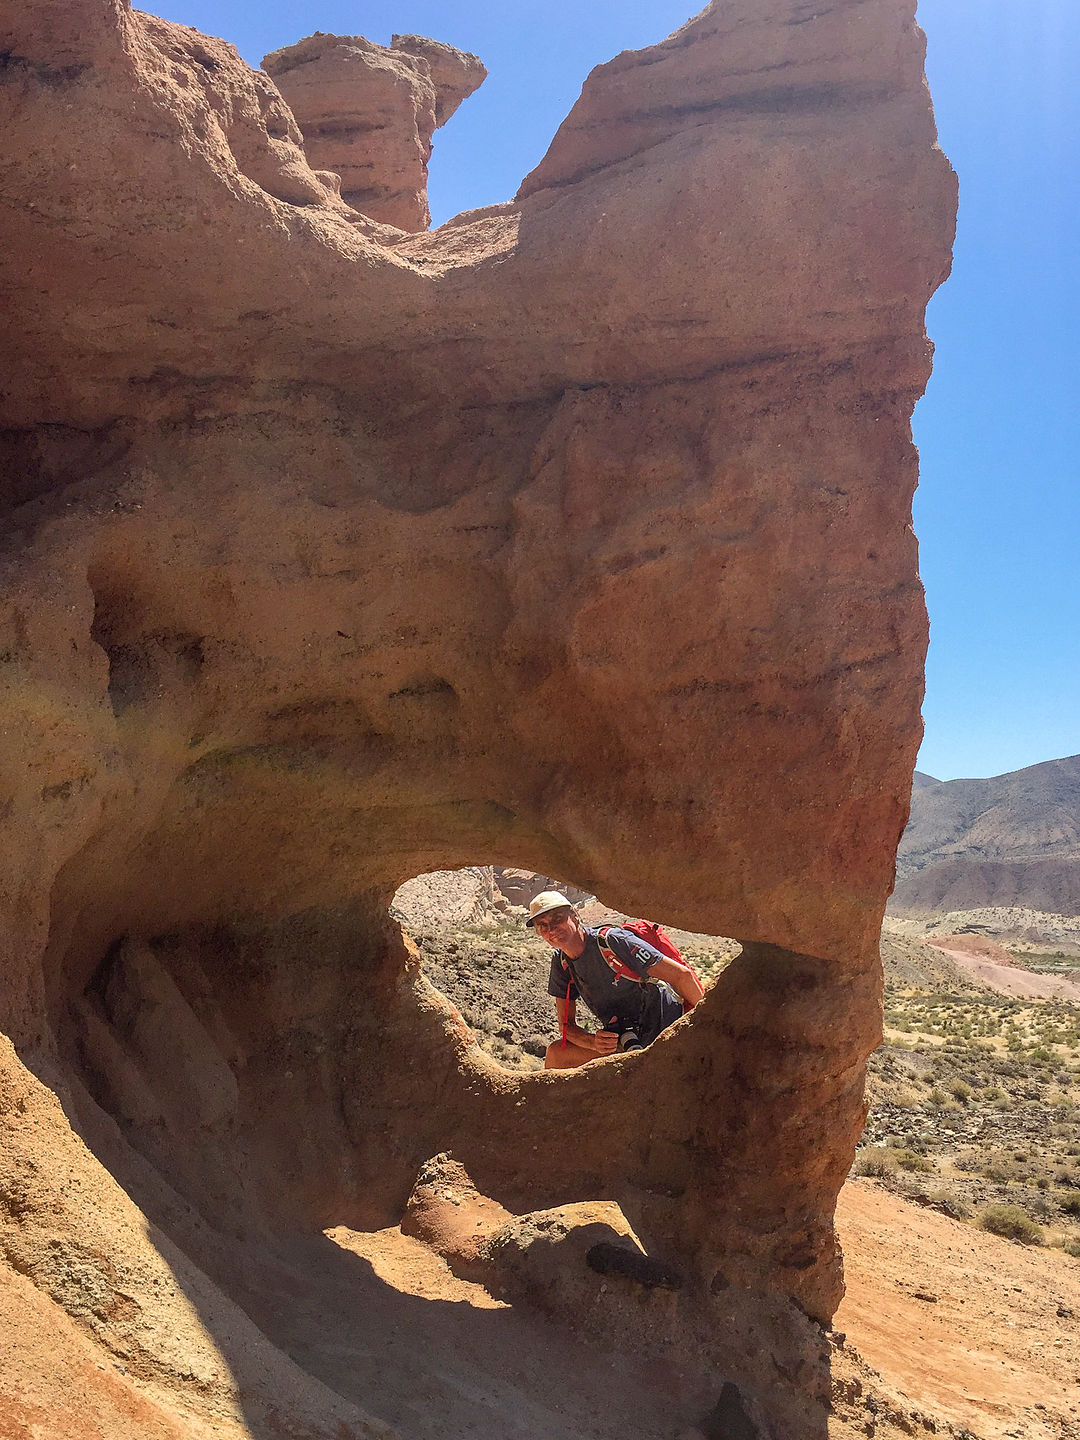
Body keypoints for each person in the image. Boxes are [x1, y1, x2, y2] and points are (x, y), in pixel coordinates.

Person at [525, 891, 705, 1070]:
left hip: (667, 1030)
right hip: (625, 1042)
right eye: (542, 925)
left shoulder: (612, 942)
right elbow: (566, 1026)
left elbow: (682, 976)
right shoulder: (561, 962)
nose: (551, 929)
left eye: (557, 919)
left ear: (574, 914)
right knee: (557, 1054)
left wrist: (710, 1022)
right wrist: (593, 1042)